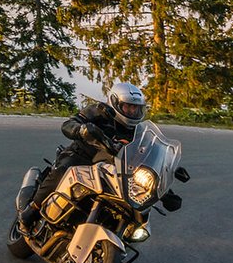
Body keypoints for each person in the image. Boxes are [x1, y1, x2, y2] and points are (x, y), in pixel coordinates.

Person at [18, 81, 148, 230]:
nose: (132, 112)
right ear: (115, 102)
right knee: (63, 170)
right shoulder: (99, 111)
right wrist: (80, 130)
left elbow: (149, 153)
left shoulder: (139, 131)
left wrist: (164, 185)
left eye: (136, 108)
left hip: (111, 171)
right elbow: (69, 124)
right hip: (81, 157)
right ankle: (32, 209)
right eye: (128, 107)